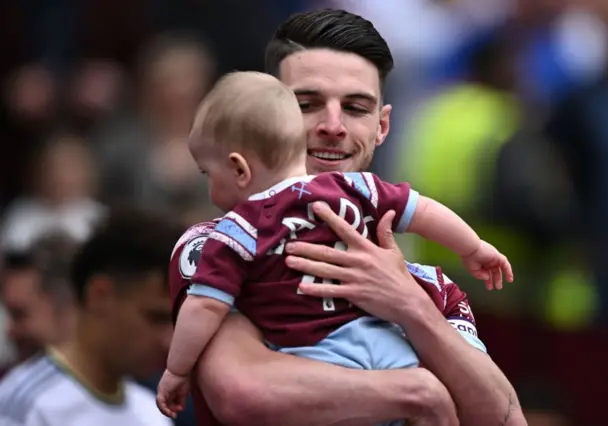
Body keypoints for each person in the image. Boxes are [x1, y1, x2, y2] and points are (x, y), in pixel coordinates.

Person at [169, 9, 526, 426]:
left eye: (356, 108)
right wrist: (416, 392)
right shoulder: (217, 245)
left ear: (382, 127)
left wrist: (409, 305)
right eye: (306, 104)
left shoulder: (430, 286)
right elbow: (244, 393)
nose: (333, 126)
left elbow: (504, 419)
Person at [0, 208, 179, 426]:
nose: (168, 341)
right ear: (99, 295)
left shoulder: (152, 414)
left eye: (174, 323)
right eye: (155, 318)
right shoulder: (24, 407)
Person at [0, 232, 79, 376]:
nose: (9, 331)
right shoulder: (7, 387)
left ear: (70, 308)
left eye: (20, 315)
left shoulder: (125, 388)